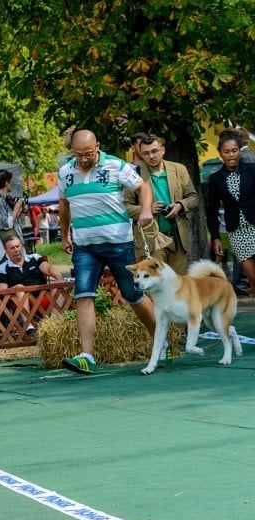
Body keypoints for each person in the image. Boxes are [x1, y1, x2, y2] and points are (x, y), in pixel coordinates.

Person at [59, 130, 156, 374]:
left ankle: (160, 339)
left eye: (88, 154)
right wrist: (63, 235)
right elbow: (64, 205)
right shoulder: (65, 172)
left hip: (117, 241)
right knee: (83, 294)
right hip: (84, 245)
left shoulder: (115, 165)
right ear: (72, 152)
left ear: (97, 147)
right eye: (78, 154)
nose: (83, 159)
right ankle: (87, 356)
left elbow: (143, 188)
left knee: (132, 294)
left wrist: (146, 210)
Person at [123, 134, 199, 275]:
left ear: (162, 150)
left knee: (178, 285)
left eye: (154, 151)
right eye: (146, 153)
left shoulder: (179, 169)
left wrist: (180, 206)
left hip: (178, 237)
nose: (151, 156)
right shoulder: (134, 175)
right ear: (141, 154)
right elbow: (125, 207)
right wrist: (147, 209)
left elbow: (193, 197)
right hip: (152, 239)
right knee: (157, 285)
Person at [207, 129, 255, 296]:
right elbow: (211, 211)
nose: (231, 155)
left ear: (239, 150)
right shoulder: (216, 178)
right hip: (237, 231)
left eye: (234, 151)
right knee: (252, 278)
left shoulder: (252, 169)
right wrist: (216, 238)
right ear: (220, 153)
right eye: (226, 152)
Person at [0, 169, 26, 267]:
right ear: (6, 183)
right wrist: (17, 207)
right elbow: (6, 225)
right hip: (4, 251)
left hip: (12, 248)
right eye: (11, 181)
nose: (12, 183)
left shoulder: (3, 200)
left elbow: (17, 224)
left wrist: (24, 211)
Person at [0, 237, 64, 288]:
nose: (16, 250)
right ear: (6, 250)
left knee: (60, 284)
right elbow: (2, 290)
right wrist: (15, 288)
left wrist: (59, 277)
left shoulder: (34, 257)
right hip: (18, 299)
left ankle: (56, 308)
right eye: (12, 248)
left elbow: (48, 268)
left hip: (42, 294)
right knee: (19, 289)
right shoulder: (3, 267)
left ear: (21, 246)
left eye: (17, 246)